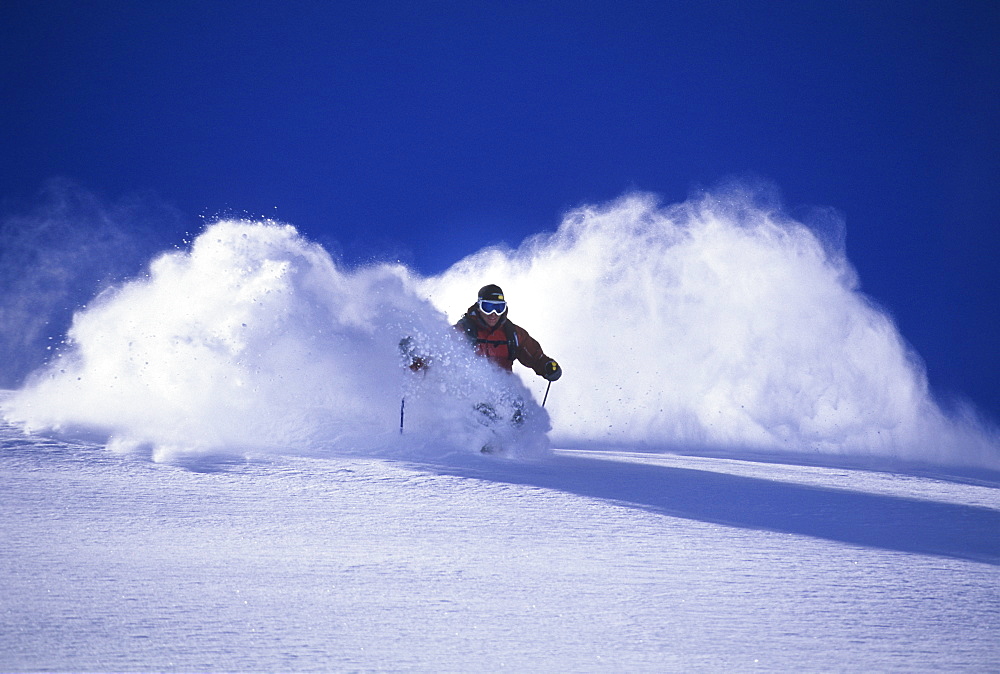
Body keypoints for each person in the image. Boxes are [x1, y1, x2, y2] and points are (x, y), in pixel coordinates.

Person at [454, 284, 562, 382]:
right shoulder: (463, 331)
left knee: (516, 403)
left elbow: (535, 357)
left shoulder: (513, 334)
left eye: (499, 308)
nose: (493, 314)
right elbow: (442, 355)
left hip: (504, 394)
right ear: (479, 307)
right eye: (488, 308)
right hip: (471, 393)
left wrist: (547, 366)